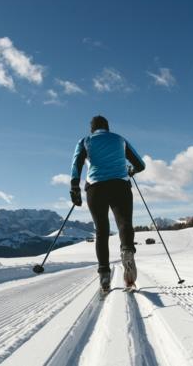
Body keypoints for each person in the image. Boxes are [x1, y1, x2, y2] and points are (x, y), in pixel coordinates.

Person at [70, 115, 146, 292]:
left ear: (92, 128)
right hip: (120, 186)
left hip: (96, 189)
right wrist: (131, 171)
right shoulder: (120, 140)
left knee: (102, 230)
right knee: (125, 224)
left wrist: (75, 187)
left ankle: (104, 276)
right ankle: (127, 250)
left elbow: (76, 164)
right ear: (107, 127)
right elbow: (141, 164)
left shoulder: (85, 141)